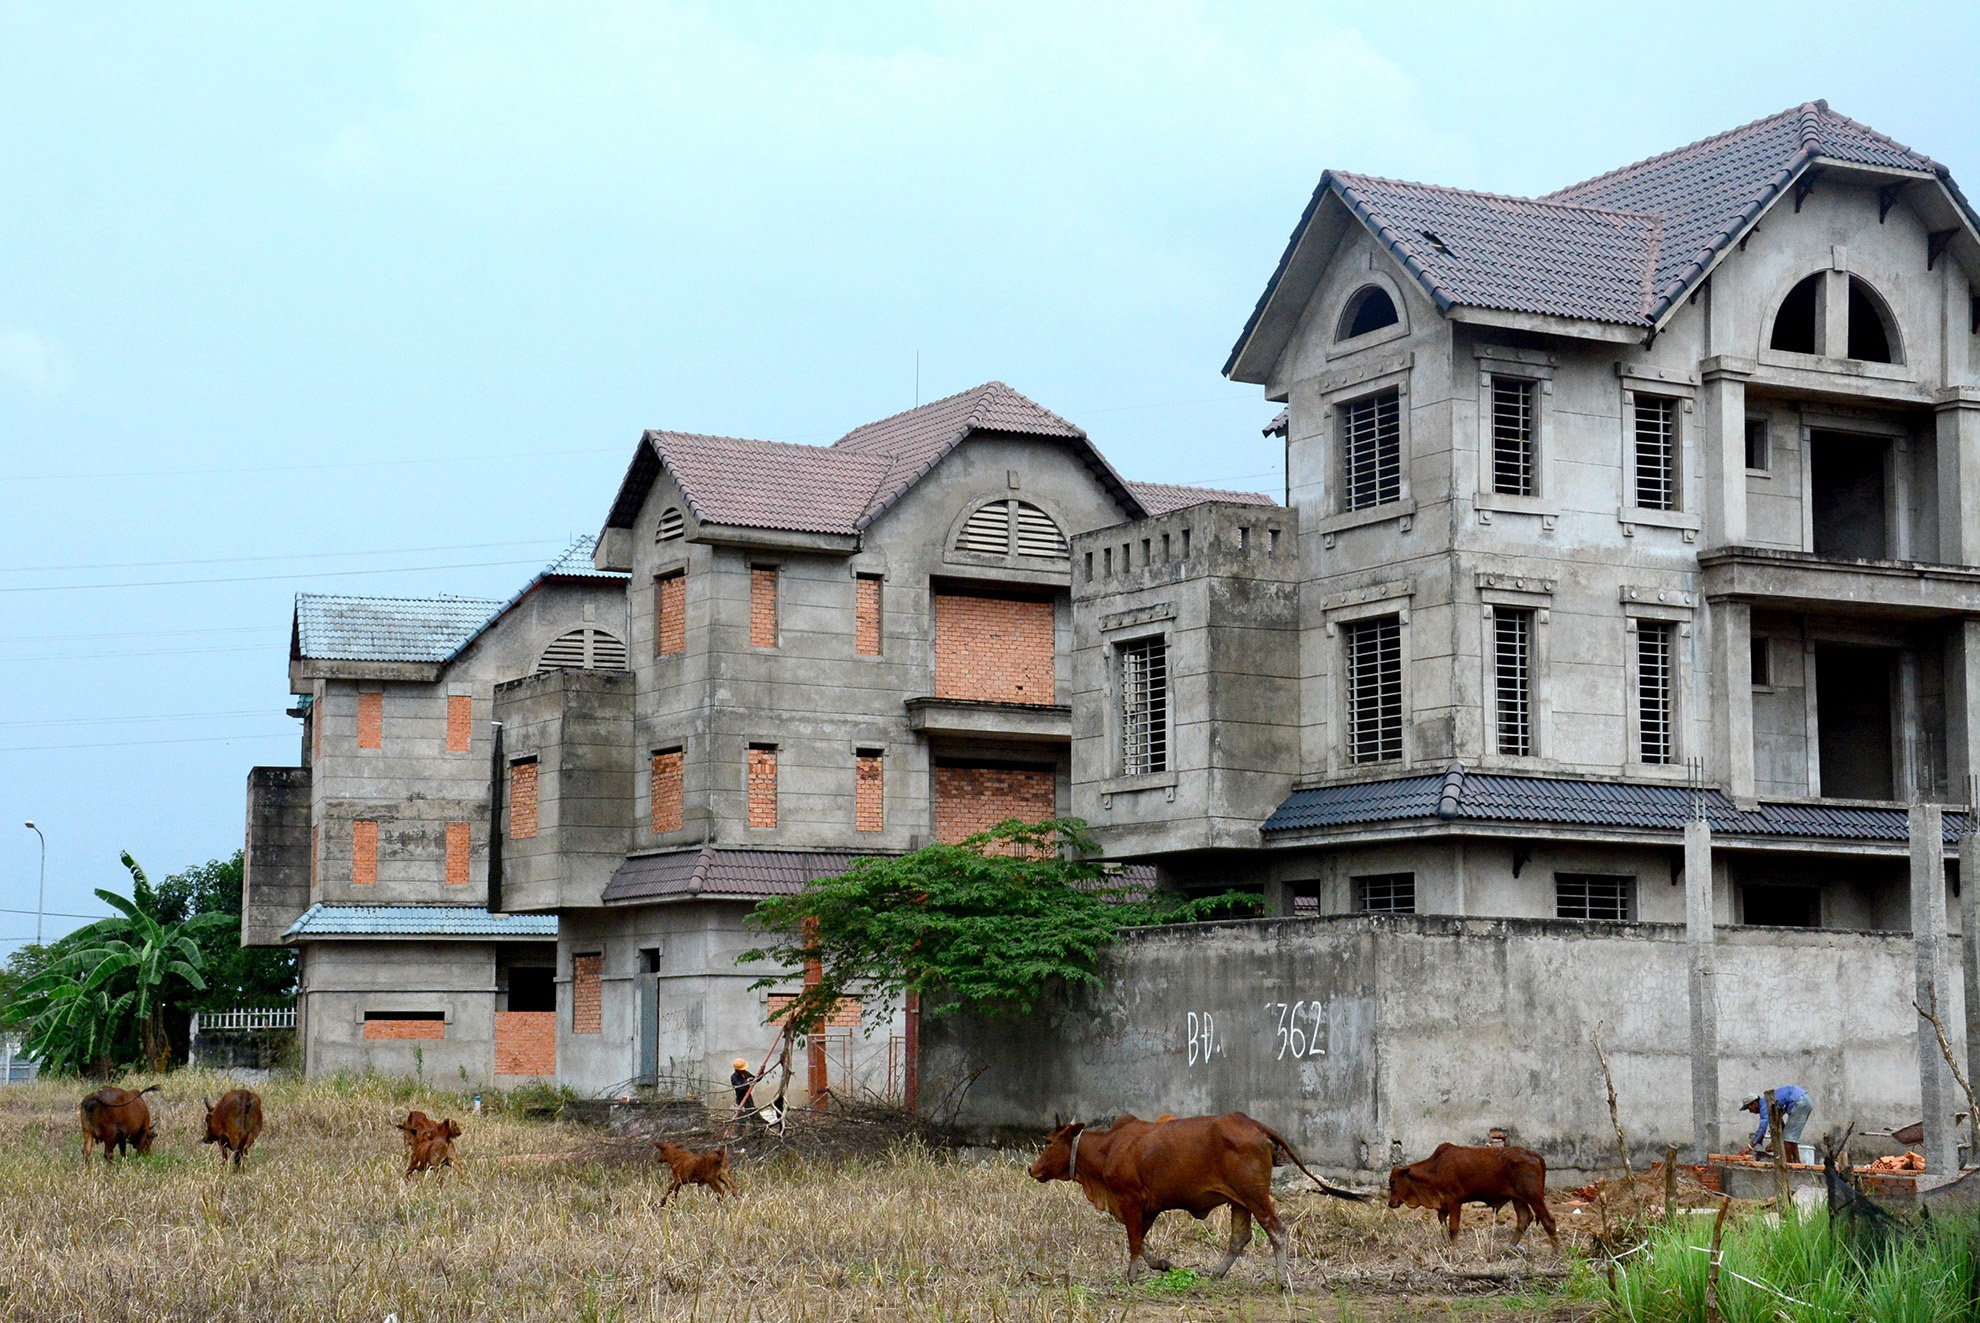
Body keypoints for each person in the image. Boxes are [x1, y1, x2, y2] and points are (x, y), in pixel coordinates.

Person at [1742, 1085, 1811, 1156]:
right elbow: (1781, 1126)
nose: (1751, 1112)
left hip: (1799, 1101)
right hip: (1804, 1099)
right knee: (1791, 1136)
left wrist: (1749, 1147)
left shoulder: (1764, 1106)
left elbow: (1762, 1129)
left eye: (1750, 1109)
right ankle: (1796, 1163)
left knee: (1788, 1138)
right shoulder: (1770, 1104)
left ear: (1754, 1104)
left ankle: (1789, 1164)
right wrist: (1774, 1143)